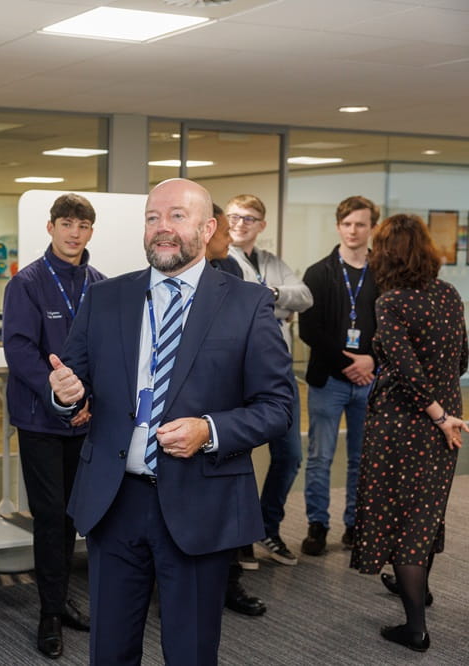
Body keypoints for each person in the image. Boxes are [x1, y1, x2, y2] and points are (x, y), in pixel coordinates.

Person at [49, 178, 294, 664]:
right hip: (114, 501)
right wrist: (66, 396)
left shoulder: (248, 304)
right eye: (153, 217)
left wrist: (210, 430)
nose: (162, 229)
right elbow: (74, 384)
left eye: (177, 216)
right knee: (110, 650)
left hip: (200, 499)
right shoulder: (106, 298)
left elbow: (278, 407)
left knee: (191, 651)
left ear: (207, 228)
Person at [350, 213, 468, 653]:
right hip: (446, 422)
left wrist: (434, 412)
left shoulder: (391, 301)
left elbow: (405, 368)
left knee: (400, 520)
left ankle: (415, 627)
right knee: (424, 514)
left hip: (405, 424)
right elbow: (462, 359)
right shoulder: (449, 293)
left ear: (387, 255)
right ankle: (421, 592)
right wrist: (444, 412)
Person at [2, 193, 102, 658]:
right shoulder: (27, 283)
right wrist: (59, 393)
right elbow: (20, 351)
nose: (74, 233)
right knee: (49, 518)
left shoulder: (100, 284)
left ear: (90, 232)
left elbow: (110, 354)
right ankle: (49, 613)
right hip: (42, 419)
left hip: (85, 421)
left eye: (82, 225)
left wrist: (89, 401)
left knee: (73, 517)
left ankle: (61, 601)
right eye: (66, 223)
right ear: (50, 228)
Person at [226, 194, 312, 569]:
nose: (240, 223)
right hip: (239, 374)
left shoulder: (272, 263)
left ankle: (267, 526)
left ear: (261, 224)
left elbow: (304, 296)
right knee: (237, 458)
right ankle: (239, 539)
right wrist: (277, 306)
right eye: (234, 216)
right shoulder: (221, 261)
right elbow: (237, 303)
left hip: (278, 374)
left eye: (249, 218)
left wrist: (272, 294)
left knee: (290, 455)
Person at [299, 196, 380, 555]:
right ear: (338, 226)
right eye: (346, 224)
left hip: (371, 382)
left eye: (360, 224)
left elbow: (393, 326)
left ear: (372, 228)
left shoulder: (384, 272)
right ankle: (318, 525)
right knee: (320, 457)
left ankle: (355, 524)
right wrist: (350, 363)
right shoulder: (318, 272)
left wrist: (371, 361)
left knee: (363, 459)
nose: (353, 230)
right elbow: (309, 329)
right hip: (329, 381)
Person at [205, 204, 267, 618]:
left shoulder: (230, 269)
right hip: (184, 410)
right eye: (225, 231)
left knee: (225, 507)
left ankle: (229, 583)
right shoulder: (161, 276)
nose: (232, 238)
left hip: (226, 410)